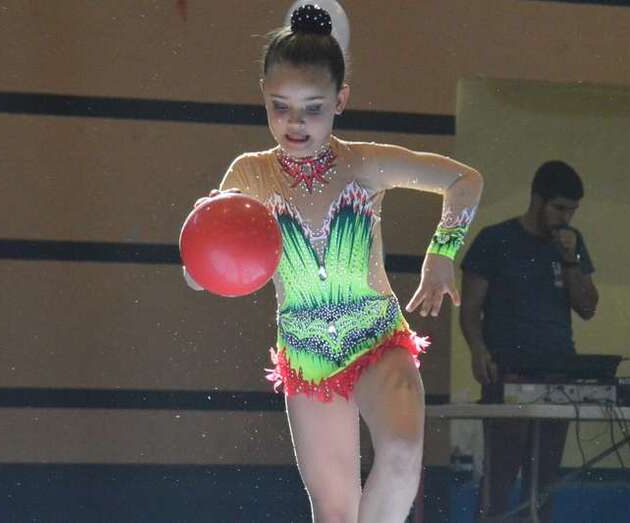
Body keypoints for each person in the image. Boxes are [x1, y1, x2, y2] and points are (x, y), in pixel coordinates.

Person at [183, 6, 483, 522]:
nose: (295, 122)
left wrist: (442, 253)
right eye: (280, 106)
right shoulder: (249, 175)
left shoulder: (363, 163)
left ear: (340, 100)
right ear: (263, 95)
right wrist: (202, 244)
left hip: (377, 341)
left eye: (313, 108)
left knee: (402, 452)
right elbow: (198, 278)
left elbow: (464, 181)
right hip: (308, 358)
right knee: (336, 513)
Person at [459, 160, 598, 522]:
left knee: (544, 479)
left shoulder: (571, 243)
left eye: (572, 210)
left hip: (558, 371)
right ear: (537, 199)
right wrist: (478, 349)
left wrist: (570, 260)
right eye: (559, 208)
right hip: (509, 369)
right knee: (501, 474)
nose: (565, 218)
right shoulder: (495, 240)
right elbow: (470, 309)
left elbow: (587, 307)